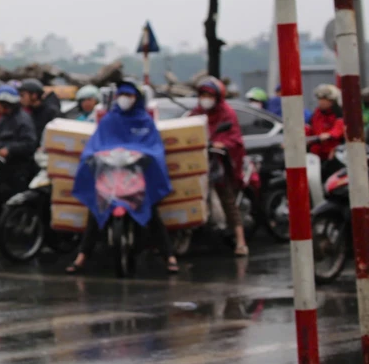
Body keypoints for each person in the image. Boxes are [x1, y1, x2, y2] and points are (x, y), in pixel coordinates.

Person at [67, 79, 178, 274]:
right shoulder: (110, 120)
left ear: (136, 99)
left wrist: (143, 156)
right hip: (110, 176)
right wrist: (94, 157)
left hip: (137, 178)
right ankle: (81, 257)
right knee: (96, 210)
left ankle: (169, 256)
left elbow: (154, 148)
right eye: (121, 96)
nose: (124, 100)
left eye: (129, 96)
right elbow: (95, 145)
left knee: (151, 211)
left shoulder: (144, 121)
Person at [192, 76, 249, 257]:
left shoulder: (227, 113)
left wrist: (220, 144)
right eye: (203, 94)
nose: (205, 98)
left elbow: (234, 138)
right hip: (199, 162)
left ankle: (241, 241)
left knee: (227, 200)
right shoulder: (197, 112)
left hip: (219, 163)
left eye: (209, 95)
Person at [0, 85, 39, 194]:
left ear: (5, 104)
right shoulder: (6, 118)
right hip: (2, 166)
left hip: (18, 169)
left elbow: (30, 143)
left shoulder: (23, 120)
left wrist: (9, 149)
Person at [307, 84, 345, 181]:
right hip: (316, 154)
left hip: (333, 154)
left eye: (324, 99)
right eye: (320, 99)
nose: (321, 102)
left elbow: (339, 127)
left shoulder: (339, 113)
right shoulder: (317, 113)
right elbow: (309, 128)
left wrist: (329, 135)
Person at [19, 79, 60, 146]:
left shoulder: (50, 112)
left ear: (34, 95)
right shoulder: (29, 111)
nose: (20, 99)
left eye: (22, 95)